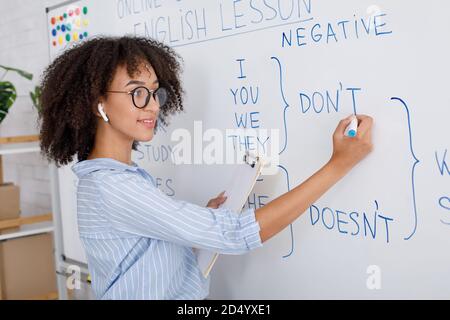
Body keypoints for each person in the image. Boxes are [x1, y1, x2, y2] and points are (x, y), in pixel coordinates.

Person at [38, 36, 373, 299]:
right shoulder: (113, 187)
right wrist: (338, 164)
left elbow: (143, 255)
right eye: (137, 93)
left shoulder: (118, 176)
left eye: (155, 93)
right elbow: (237, 234)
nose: (153, 106)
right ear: (98, 103)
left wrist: (195, 222)